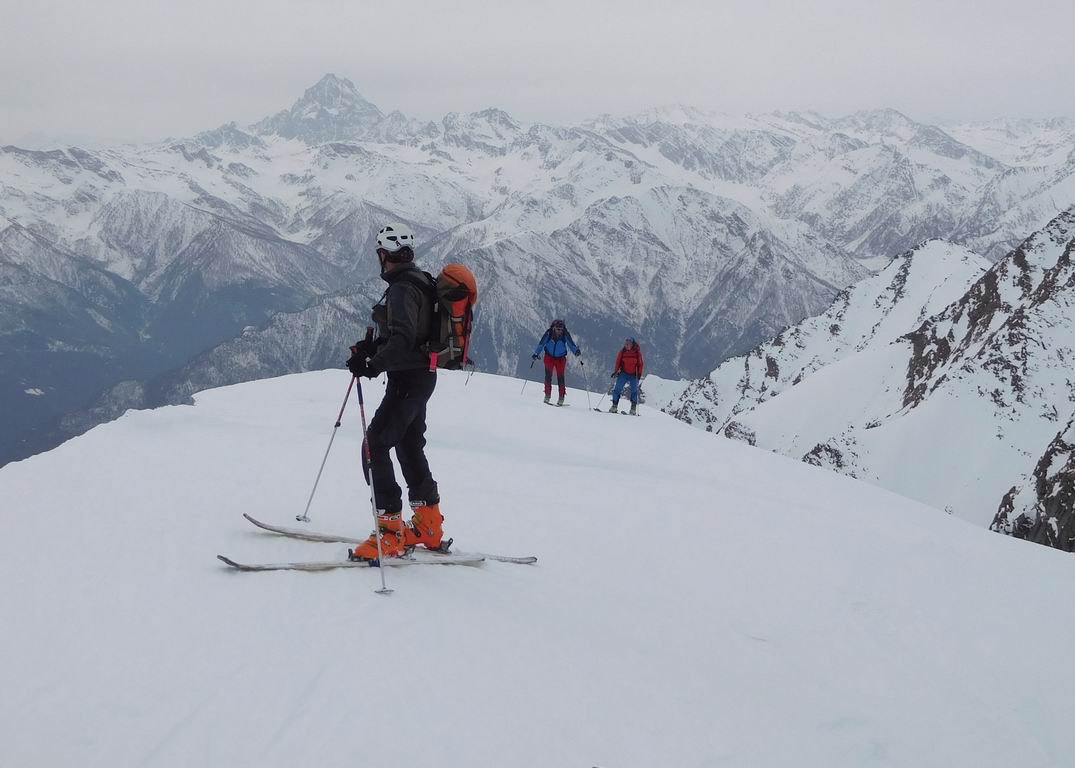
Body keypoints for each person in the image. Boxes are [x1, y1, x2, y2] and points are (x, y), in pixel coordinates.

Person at [345, 223, 445, 561]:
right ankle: (428, 524)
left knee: (374, 445)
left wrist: (371, 365)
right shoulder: (421, 281)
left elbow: (402, 339)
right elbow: (411, 335)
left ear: (384, 254)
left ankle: (389, 531)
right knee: (408, 445)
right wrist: (371, 349)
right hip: (421, 376)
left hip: (406, 380)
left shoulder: (403, 288)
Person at [532, 319, 581, 405]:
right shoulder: (549, 333)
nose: (559, 331)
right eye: (558, 329)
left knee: (560, 378)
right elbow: (541, 344)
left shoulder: (565, 334)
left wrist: (576, 351)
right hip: (549, 357)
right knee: (548, 377)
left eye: (561, 329)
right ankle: (547, 396)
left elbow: (571, 344)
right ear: (553, 328)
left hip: (560, 359)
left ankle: (561, 398)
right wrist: (536, 353)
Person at [609, 338, 644, 415]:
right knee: (617, 389)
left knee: (634, 391)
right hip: (624, 373)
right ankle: (614, 406)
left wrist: (639, 374)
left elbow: (641, 364)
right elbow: (618, 362)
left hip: (634, 374)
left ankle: (633, 409)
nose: (626, 345)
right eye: (626, 343)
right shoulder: (622, 352)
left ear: (632, 344)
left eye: (628, 343)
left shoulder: (637, 353)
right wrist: (616, 371)